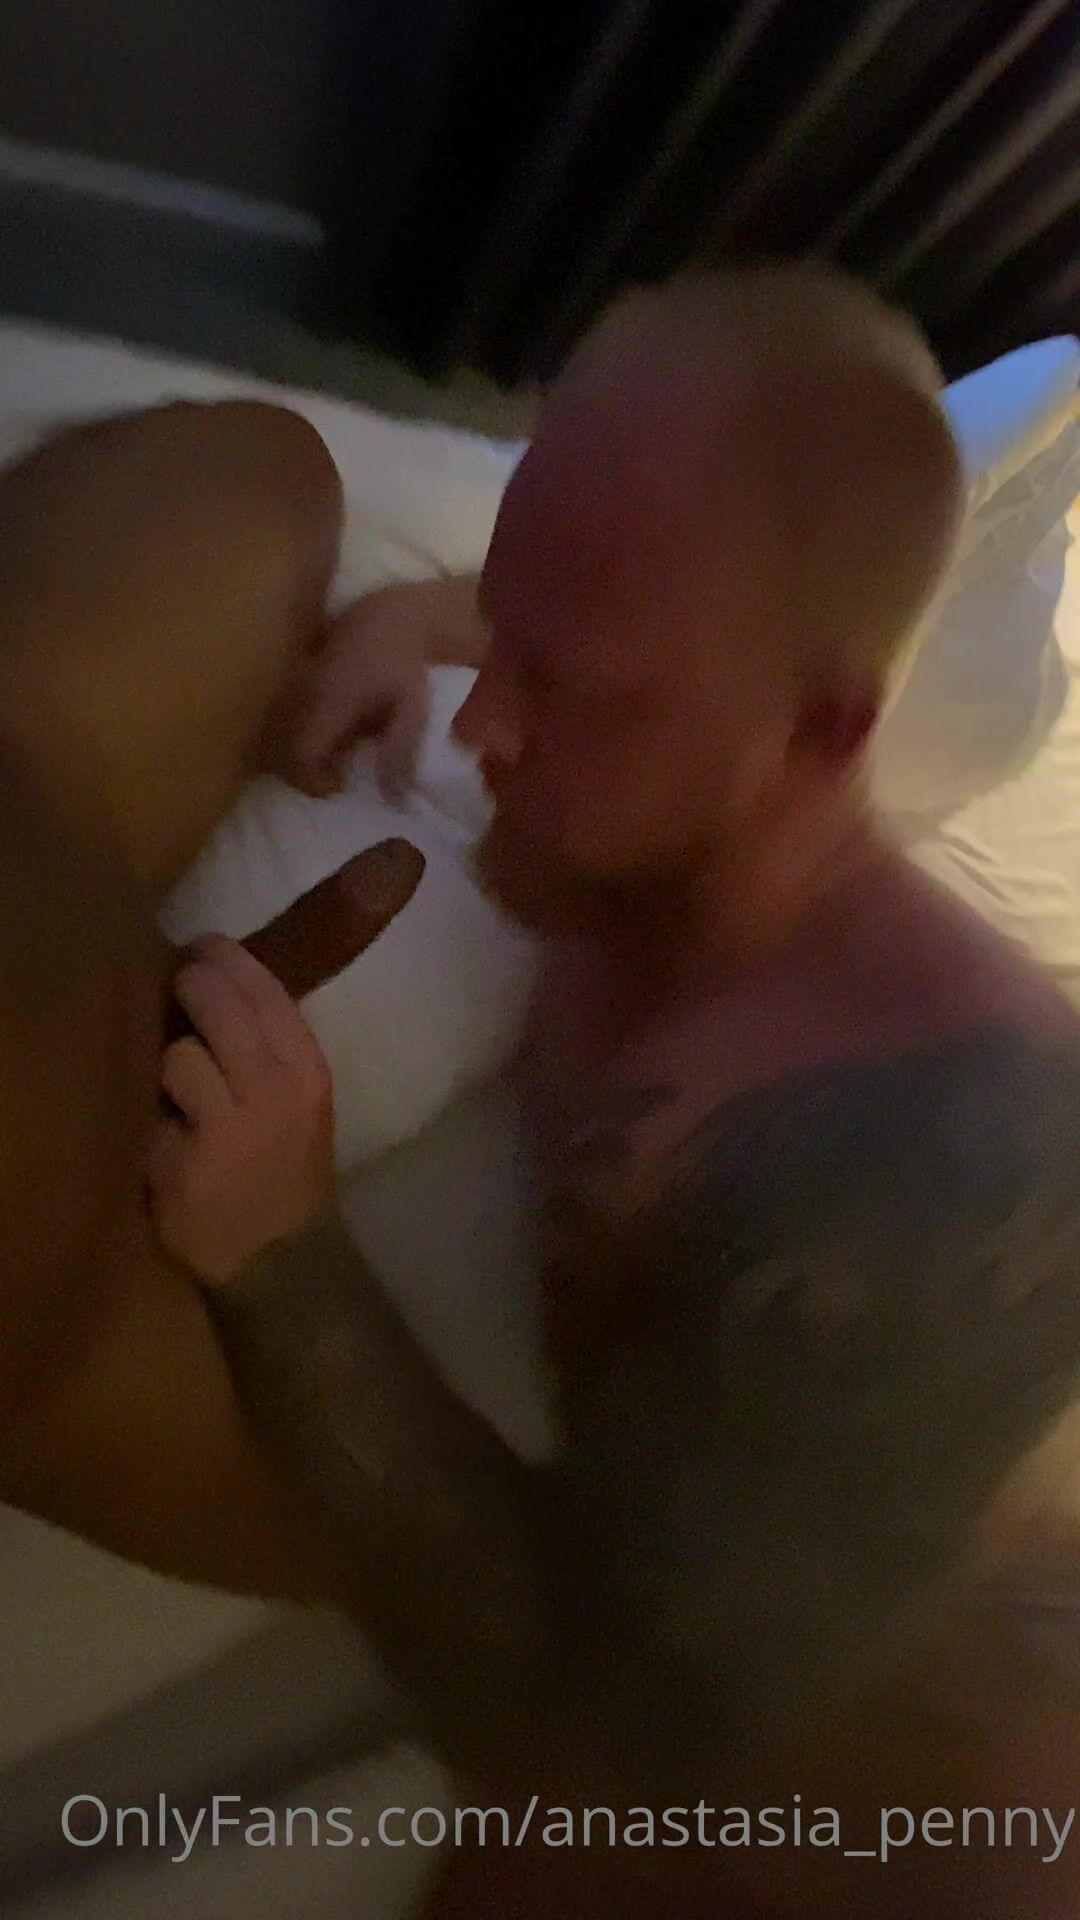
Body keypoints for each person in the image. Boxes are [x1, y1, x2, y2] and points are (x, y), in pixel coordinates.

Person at [2, 268, 1080, 1917]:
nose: (485, 726)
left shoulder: (927, 1170)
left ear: (820, 733)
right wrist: (435, 620)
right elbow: (637, 612)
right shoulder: (695, 772)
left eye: (565, 687)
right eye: (500, 644)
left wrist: (288, 1255)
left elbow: (593, 1754)